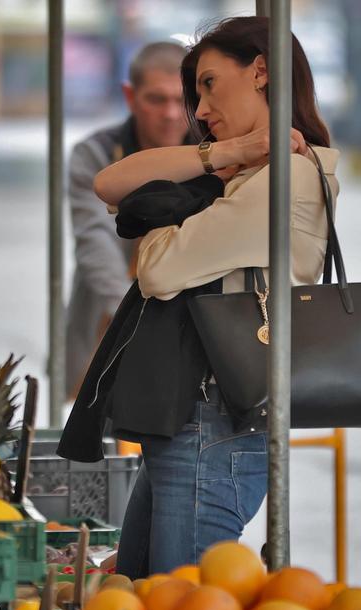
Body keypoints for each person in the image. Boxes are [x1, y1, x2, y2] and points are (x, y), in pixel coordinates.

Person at [58, 16, 339, 577]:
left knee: (181, 601)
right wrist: (224, 152)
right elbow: (109, 185)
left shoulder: (289, 178)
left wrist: (168, 209)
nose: (199, 109)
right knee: (142, 588)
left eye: (209, 84)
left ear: (260, 71)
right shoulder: (239, 171)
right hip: (191, 418)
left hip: (218, 426)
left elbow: (157, 271)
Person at [65, 42, 191, 399]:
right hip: (111, 311)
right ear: (130, 96)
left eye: (180, 100)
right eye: (156, 99)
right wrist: (132, 320)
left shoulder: (211, 154)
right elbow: (94, 239)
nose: (170, 113)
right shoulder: (96, 153)